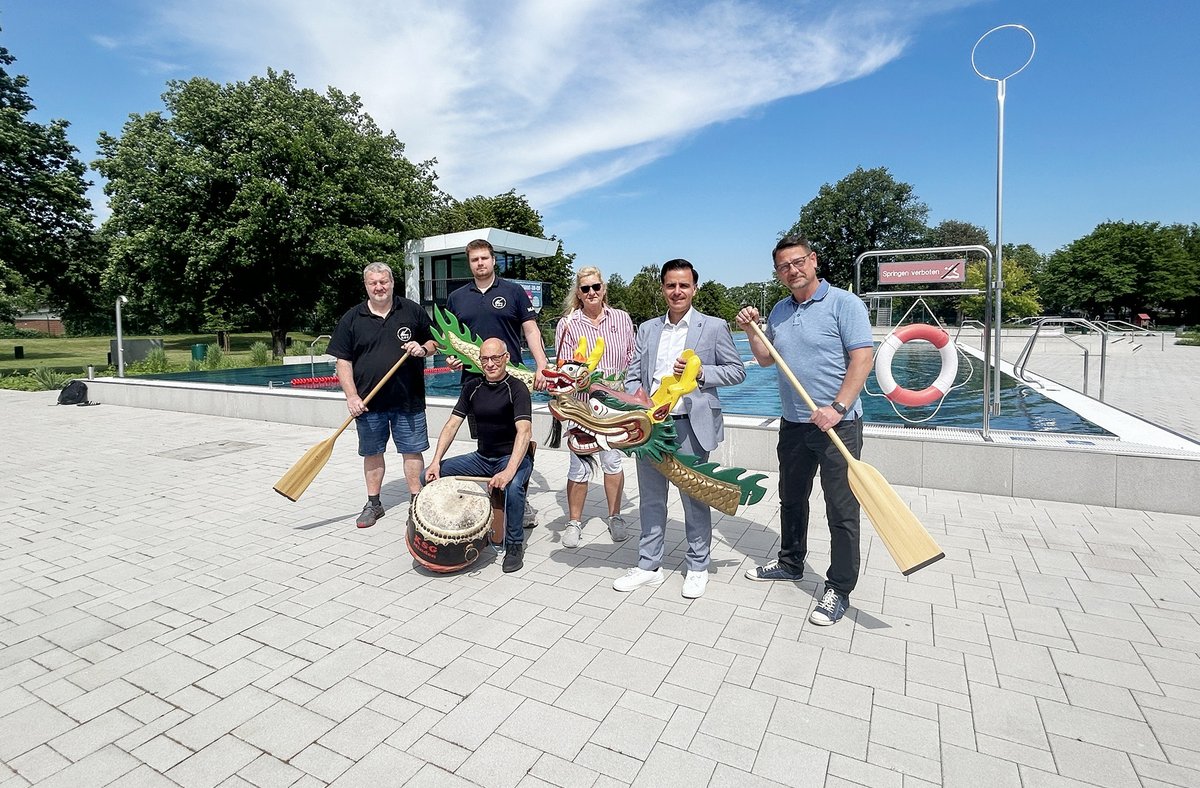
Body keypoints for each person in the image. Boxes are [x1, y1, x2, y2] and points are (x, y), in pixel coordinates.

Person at [735, 235, 874, 626]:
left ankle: (839, 588)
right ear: (778, 273)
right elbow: (765, 360)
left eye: (798, 262)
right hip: (794, 422)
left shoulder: (844, 304)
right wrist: (752, 328)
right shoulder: (778, 310)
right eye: (783, 266)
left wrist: (838, 407)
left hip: (838, 425)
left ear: (813, 260)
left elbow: (863, 358)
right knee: (791, 500)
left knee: (841, 510)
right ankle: (790, 563)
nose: (792, 270)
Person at [613, 259, 746, 599]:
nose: (677, 292)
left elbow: (736, 371)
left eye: (683, 285)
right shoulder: (647, 329)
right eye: (671, 285)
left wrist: (701, 374)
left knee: (694, 499)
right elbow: (634, 374)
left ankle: (698, 566)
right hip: (653, 426)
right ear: (663, 288)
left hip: (691, 425)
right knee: (651, 500)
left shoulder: (713, 327)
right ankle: (649, 565)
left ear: (694, 288)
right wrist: (634, 409)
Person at [329, 262, 438, 529]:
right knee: (372, 452)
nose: (379, 287)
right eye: (373, 283)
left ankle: (416, 500)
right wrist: (352, 396)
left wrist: (422, 349)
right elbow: (343, 361)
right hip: (369, 403)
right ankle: (373, 503)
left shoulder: (411, 310)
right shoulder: (352, 318)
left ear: (392, 283)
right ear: (366, 286)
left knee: (412, 452)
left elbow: (435, 342)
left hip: (408, 400)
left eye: (384, 281)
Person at [426, 337, 534, 573]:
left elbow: (524, 433)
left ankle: (514, 545)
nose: (490, 364)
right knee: (434, 473)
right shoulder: (472, 387)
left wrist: (508, 471)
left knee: (514, 487)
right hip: (483, 458)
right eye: (485, 359)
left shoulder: (517, 389)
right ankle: (439, 530)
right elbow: (452, 425)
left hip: (512, 458)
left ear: (506, 358)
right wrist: (435, 462)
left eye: (495, 358)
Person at [554, 266, 637, 547]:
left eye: (596, 287)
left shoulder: (622, 319)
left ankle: (615, 516)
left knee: (612, 463)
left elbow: (631, 358)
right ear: (578, 293)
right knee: (578, 467)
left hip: (614, 406)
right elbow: (563, 369)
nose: (592, 293)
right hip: (582, 407)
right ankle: (574, 521)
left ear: (604, 289)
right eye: (585, 288)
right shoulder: (567, 324)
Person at [444, 238, 549, 389]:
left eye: (484, 258)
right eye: (474, 259)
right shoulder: (456, 297)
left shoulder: (514, 291)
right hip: (473, 381)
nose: (480, 263)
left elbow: (531, 330)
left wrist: (542, 365)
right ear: (469, 263)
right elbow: (451, 336)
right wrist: (451, 358)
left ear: (493, 260)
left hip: (512, 377)